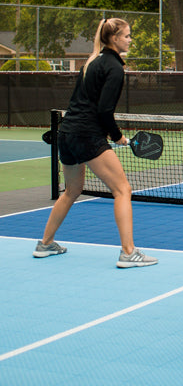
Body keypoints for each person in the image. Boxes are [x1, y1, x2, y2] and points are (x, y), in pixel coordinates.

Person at [33, 18, 158, 267]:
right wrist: (117, 136)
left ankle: (45, 244)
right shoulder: (114, 68)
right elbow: (104, 111)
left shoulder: (92, 62)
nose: (130, 40)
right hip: (87, 136)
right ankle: (128, 253)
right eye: (127, 36)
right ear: (114, 38)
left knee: (71, 191)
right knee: (122, 190)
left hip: (66, 134)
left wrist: (110, 134)